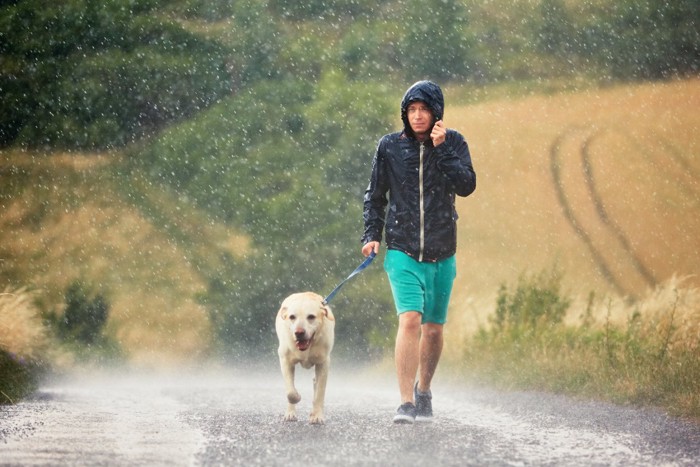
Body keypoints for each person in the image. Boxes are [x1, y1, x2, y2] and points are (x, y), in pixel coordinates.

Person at [361, 80, 476, 424]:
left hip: (443, 250)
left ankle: (424, 389)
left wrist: (442, 150)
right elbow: (375, 195)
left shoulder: (454, 142)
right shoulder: (390, 147)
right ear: (404, 114)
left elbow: (467, 185)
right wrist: (371, 234)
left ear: (436, 113)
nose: (417, 116)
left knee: (434, 329)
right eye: (411, 110)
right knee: (409, 320)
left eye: (424, 109)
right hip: (402, 249)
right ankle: (406, 402)